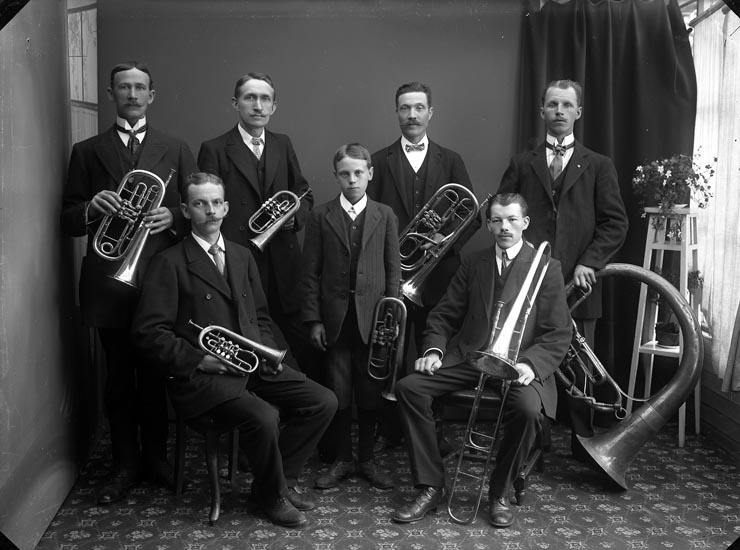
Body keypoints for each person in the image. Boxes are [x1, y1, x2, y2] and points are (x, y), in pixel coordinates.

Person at [131, 173, 337, 529]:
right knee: (264, 417)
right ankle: (271, 497)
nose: (210, 211)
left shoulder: (242, 256)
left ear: (226, 207)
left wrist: (270, 354)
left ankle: (276, 482)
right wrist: (199, 359)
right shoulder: (170, 261)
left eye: (216, 203)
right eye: (199, 204)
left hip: (251, 365)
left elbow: (260, 316)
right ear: (185, 209)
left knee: (323, 401)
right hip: (203, 377)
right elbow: (149, 332)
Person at [61, 61, 198, 505]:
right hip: (109, 280)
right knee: (118, 378)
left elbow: (195, 207)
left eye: (140, 87)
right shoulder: (87, 149)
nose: (133, 94)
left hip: (160, 279)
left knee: (157, 374)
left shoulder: (175, 148)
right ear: (111, 93)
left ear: (151, 95)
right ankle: (124, 463)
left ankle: (157, 458)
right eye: (124, 87)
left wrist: (173, 214)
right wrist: (93, 208)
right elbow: (67, 218)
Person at [391, 193, 572, 528]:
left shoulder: (546, 267)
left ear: (525, 223)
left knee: (529, 411)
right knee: (409, 388)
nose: (505, 227)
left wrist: (530, 365)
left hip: (518, 365)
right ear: (488, 224)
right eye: (498, 220)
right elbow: (445, 315)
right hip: (471, 356)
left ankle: (499, 492)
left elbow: (557, 331)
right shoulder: (474, 262)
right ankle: (430, 486)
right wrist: (433, 351)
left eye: (512, 220)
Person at [497, 79, 628, 458]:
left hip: (579, 283)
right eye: (552, 104)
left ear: (578, 112)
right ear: (541, 112)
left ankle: (585, 447)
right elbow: (505, 212)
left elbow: (615, 222)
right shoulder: (523, 163)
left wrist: (590, 261)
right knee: (530, 359)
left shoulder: (599, 165)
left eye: (566, 105)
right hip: (529, 283)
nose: (558, 111)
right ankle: (532, 440)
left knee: (582, 369)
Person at [368, 81, 481, 452]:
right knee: (394, 347)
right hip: (395, 273)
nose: (412, 115)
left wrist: (445, 242)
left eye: (419, 108)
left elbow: (472, 216)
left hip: (441, 276)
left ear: (430, 113)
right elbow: (370, 217)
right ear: (396, 112)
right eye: (404, 108)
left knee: (439, 350)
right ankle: (391, 428)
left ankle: (436, 429)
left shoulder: (451, 159)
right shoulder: (379, 160)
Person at [197, 72, 315, 376]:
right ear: (236, 103)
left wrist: (291, 220)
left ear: (274, 106)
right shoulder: (215, 148)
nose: (258, 105)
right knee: (251, 341)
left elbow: (303, 194)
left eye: (265, 99)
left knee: (299, 342)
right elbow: (206, 206)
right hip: (240, 259)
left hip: (283, 263)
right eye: (250, 98)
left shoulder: (282, 144)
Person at [301, 144, 401, 491]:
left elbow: (393, 272)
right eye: (345, 173)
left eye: (359, 172)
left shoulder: (385, 214)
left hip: (375, 321)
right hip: (335, 320)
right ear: (336, 177)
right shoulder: (321, 215)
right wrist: (314, 320)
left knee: (370, 391)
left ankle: (368, 460)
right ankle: (343, 458)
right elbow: (310, 272)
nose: (353, 180)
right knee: (339, 390)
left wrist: (392, 317)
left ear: (370, 173)